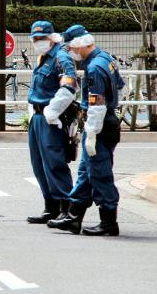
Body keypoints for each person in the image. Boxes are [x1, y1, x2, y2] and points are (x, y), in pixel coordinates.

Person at [47, 25, 125, 236]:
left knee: (99, 174)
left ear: (78, 46)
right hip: (104, 123)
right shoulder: (106, 59)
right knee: (85, 173)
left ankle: (108, 222)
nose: (71, 53)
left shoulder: (95, 68)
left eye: (71, 48)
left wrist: (91, 134)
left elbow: (97, 105)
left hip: (99, 127)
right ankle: (73, 218)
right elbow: (120, 87)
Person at [26, 20, 78, 224]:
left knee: (55, 164)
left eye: (41, 38)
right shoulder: (43, 57)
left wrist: (52, 113)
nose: (37, 42)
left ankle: (66, 207)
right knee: (39, 165)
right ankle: (51, 207)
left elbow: (69, 88)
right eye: (35, 39)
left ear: (52, 37)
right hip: (37, 117)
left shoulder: (61, 57)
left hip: (51, 119)